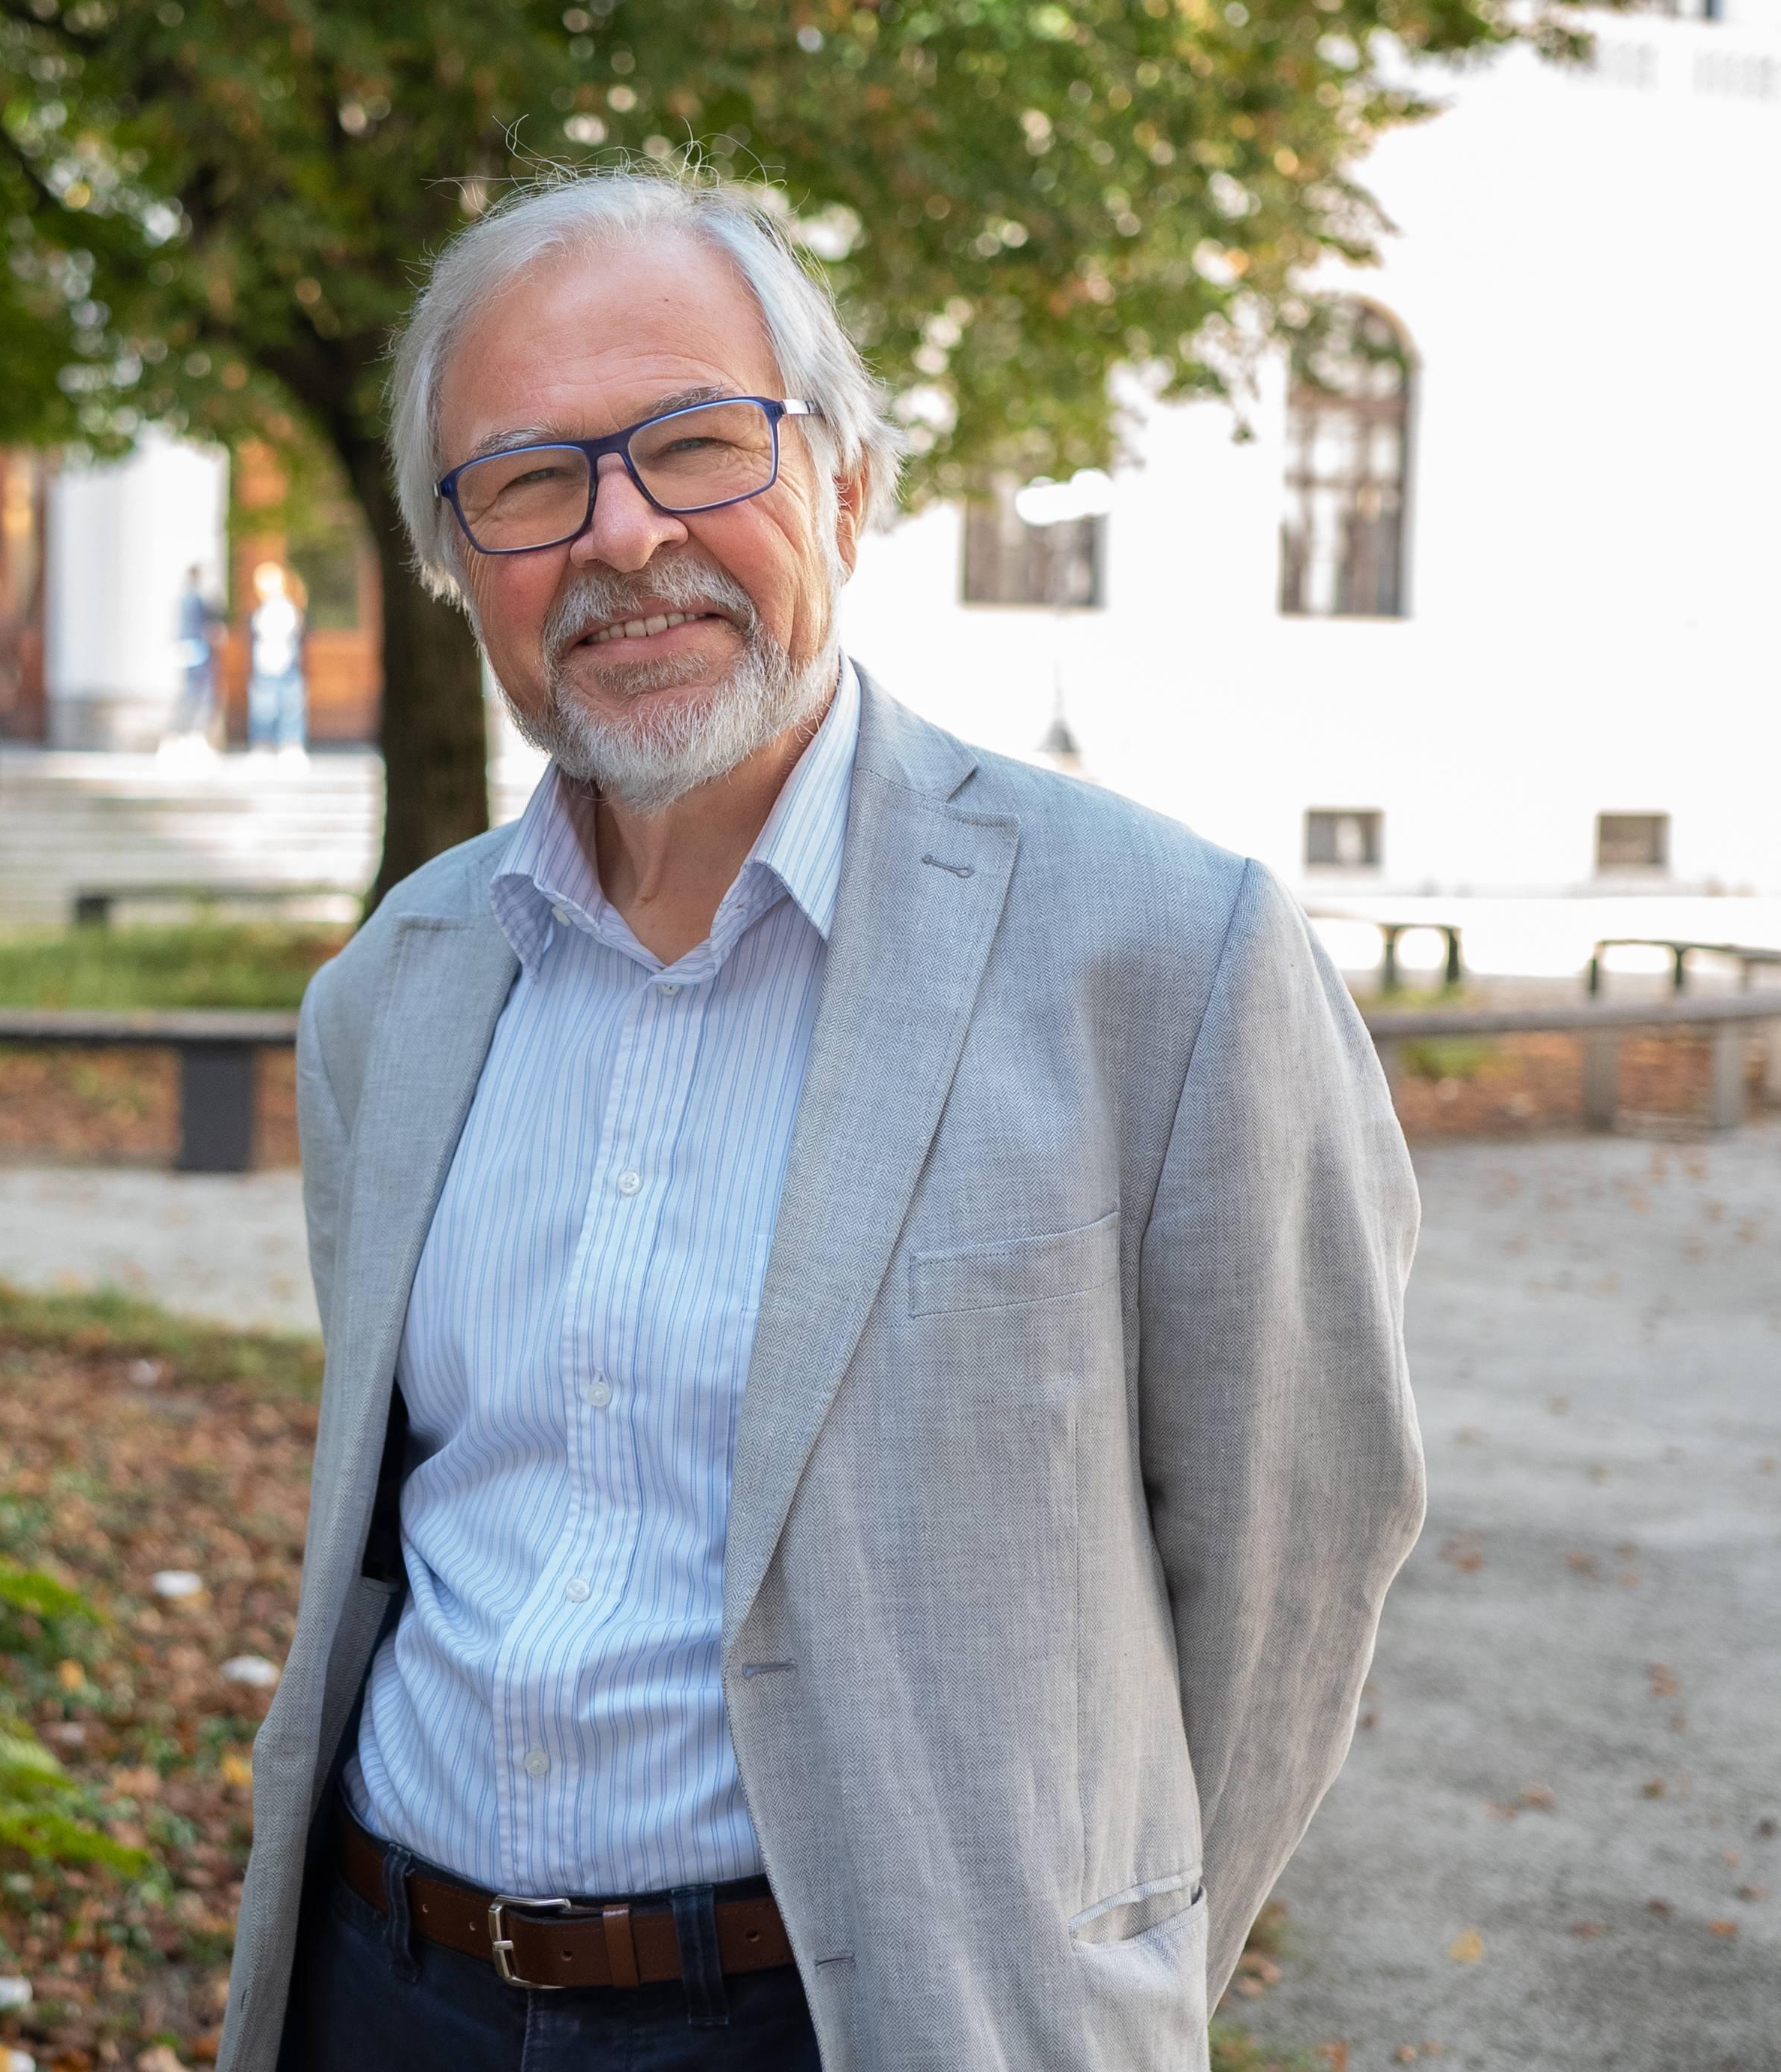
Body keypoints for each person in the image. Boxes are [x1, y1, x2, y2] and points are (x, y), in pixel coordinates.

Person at [218, 167, 1423, 2072]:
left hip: (864, 2024)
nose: (620, 539)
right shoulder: (396, 990)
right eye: (527, 481)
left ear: (844, 483)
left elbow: (1299, 1550)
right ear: (457, 559)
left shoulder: (1164, 958)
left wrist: (1085, 1970)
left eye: (696, 444)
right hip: (391, 1995)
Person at [164, 563, 228, 760]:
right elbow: (207, 627)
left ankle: (182, 736)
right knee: (199, 695)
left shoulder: (185, 599)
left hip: (189, 648)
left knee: (190, 694)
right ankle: (189, 736)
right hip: (198, 650)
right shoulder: (197, 600)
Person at [245, 559, 308, 760]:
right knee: (264, 709)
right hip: (266, 665)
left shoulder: (287, 607)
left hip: (285, 664)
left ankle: (290, 746)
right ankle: (264, 746)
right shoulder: (262, 609)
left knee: (289, 708)